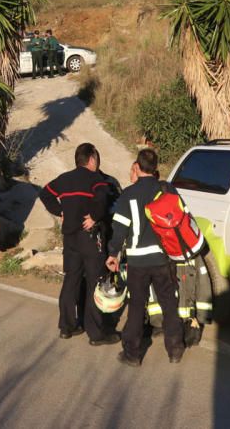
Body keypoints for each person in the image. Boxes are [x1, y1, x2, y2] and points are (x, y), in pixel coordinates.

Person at [106, 148, 185, 367]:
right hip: (163, 259)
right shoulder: (167, 189)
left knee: (137, 307)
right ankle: (175, 349)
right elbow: (180, 218)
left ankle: (132, 354)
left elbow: (119, 229)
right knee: (169, 304)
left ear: (138, 168)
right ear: (155, 168)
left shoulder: (128, 195)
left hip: (138, 262)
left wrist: (113, 254)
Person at [39, 143, 121, 346]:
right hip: (90, 238)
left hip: (70, 239)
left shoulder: (64, 179)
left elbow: (45, 194)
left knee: (71, 280)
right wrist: (94, 217)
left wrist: (60, 211)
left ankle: (67, 326)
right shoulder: (97, 180)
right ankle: (96, 333)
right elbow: (102, 200)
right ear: (92, 159)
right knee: (95, 282)